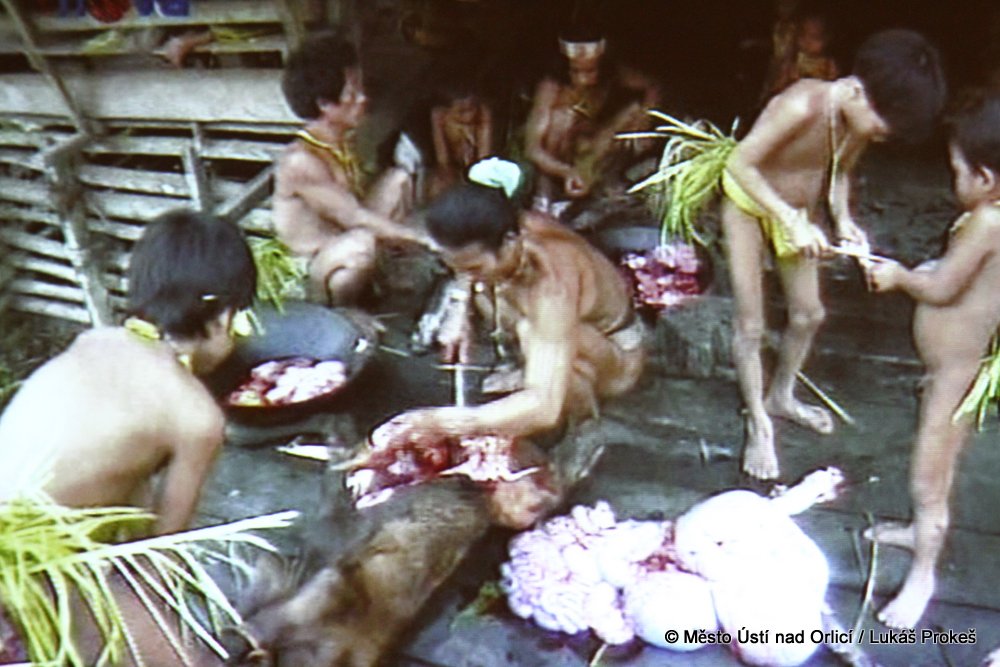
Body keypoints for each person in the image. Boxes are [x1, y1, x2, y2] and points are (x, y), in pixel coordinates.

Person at [720, 29, 945, 479]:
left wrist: (842, 220)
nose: (879, 137)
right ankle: (758, 423)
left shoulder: (856, 122)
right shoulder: (802, 105)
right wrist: (788, 218)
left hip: (798, 214)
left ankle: (780, 395)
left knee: (809, 315)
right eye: (881, 128)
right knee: (751, 324)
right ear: (857, 92)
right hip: (750, 204)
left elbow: (840, 172)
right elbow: (739, 164)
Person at [0, 210, 256, 535]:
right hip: (17, 552)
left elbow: (127, 470)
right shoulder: (196, 417)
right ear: (224, 318)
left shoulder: (94, 341)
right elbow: (164, 547)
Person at [864, 91, 1000, 629]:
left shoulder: (988, 223)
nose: (953, 181)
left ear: (985, 178)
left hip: (955, 375)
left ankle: (923, 576)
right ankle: (917, 532)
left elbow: (943, 289)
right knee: (932, 470)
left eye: (957, 172)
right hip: (946, 368)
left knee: (929, 477)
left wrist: (900, 276)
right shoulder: (989, 219)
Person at [378, 169, 646, 441]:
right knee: (490, 295)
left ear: (509, 242)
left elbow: (544, 407)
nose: (467, 275)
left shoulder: (551, 287)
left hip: (615, 361)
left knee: (529, 332)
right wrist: (459, 309)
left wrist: (447, 422)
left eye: (474, 267)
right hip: (557, 324)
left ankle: (578, 424)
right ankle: (530, 369)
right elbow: (466, 264)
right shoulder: (506, 226)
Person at [274, 31, 425, 306]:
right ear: (324, 104)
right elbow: (353, 216)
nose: (363, 98)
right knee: (361, 245)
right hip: (312, 264)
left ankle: (384, 276)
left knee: (398, 180)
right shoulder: (302, 162)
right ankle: (342, 311)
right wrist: (420, 238)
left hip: (343, 237)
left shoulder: (341, 140)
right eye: (352, 93)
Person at [524, 27, 660, 210]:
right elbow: (532, 148)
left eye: (590, 71)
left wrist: (644, 121)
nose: (583, 79)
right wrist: (566, 172)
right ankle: (544, 194)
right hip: (560, 157)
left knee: (632, 111)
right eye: (575, 71)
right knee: (561, 118)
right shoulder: (551, 87)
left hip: (594, 147)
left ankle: (607, 182)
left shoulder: (615, 75)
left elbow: (653, 87)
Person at [428, 79, 494, 199]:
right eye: (461, 111)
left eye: (471, 109)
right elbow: (443, 162)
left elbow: (484, 162)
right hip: (452, 166)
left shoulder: (482, 117)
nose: (467, 116)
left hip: (476, 166)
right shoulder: (440, 117)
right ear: (445, 112)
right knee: (437, 186)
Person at [770, 13, 839, 96]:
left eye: (814, 37)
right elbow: (779, 84)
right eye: (802, 35)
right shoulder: (793, 58)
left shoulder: (828, 63)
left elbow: (833, 86)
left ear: (826, 39)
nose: (807, 41)